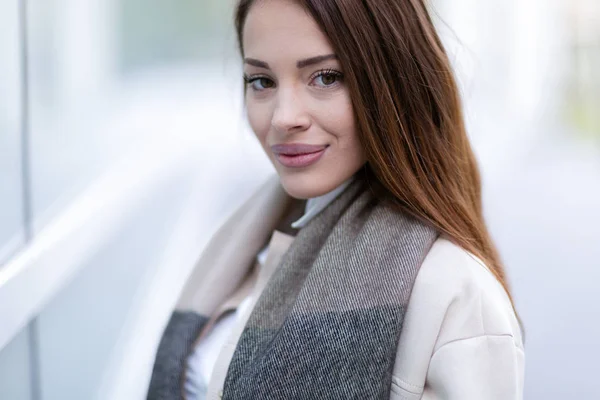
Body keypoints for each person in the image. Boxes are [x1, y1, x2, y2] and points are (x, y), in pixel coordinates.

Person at [147, 0, 525, 399]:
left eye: (325, 77)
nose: (282, 117)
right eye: (262, 81)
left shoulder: (453, 294)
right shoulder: (244, 241)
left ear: (394, 83)